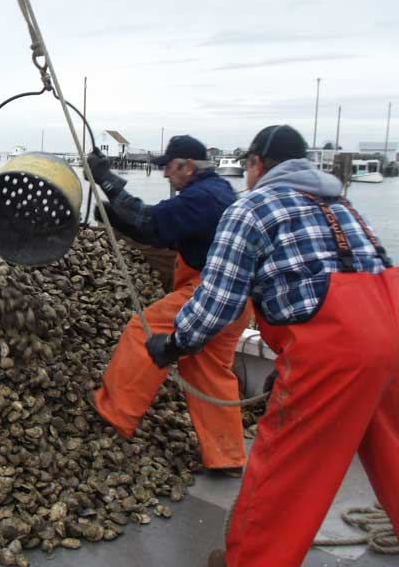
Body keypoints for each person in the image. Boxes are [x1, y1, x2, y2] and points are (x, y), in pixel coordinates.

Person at [144, 125, 398, 567]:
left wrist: (175, 344)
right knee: (393, 449)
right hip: (390, 328)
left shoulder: (252, 208)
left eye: (247, 165)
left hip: (334, 350)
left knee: (287, 468)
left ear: (257, 165)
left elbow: (219, 301)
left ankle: (251, 560)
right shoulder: (343, 206)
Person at [87, 135, 253, 476]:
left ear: (187, 166)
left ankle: (114, 413)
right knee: (206, 369)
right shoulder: (216, 192)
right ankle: (227, 457)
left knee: (143, 332)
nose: (164, 175)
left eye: (168, 168)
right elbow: (163, 229)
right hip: (240, 299)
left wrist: (105, 181)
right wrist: (118, 215)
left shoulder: (202, 198)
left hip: (210, 292)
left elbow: (152, 224)